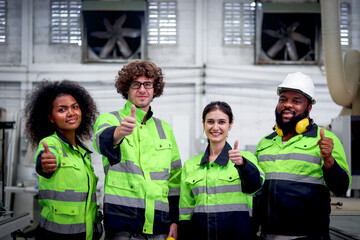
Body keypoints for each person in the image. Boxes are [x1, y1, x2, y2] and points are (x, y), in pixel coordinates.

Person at [253, 72, 351, 240]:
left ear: (309, 107)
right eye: (283, 99)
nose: (287, 105)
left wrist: (329, 161)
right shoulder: (265, 143)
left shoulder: (325, 139)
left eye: (296, 101)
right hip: (267, 236)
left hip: (308, 237)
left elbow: (341, 187)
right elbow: (256, 193)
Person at [93, 60, 182, 240]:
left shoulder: (165, 129)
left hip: (159, 223)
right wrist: (118, 133)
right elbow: (101, 142)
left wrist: (174, 220)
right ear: (127, 88)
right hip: (122, 224)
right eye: (136, 84)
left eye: (148, 84)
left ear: (155, 89)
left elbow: (175, 179)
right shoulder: (110, 119)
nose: (142, 89)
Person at [24, 80, 102, 240]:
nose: (71, 113)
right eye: (62, 109)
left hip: (85, 233)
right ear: (51, 117)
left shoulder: (82, 152)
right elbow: (44, 162)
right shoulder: (51, 144)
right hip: (57, 235)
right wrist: (45, 164)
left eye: (75, 107)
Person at [179, 101, 265, 240]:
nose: (215, 127)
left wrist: (243, 165)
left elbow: (256, 187)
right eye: (210, 121)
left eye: (222, 122)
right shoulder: (190, 165)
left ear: (230, 125)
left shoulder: (246, 159)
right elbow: (185, 212)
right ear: (203, 124)